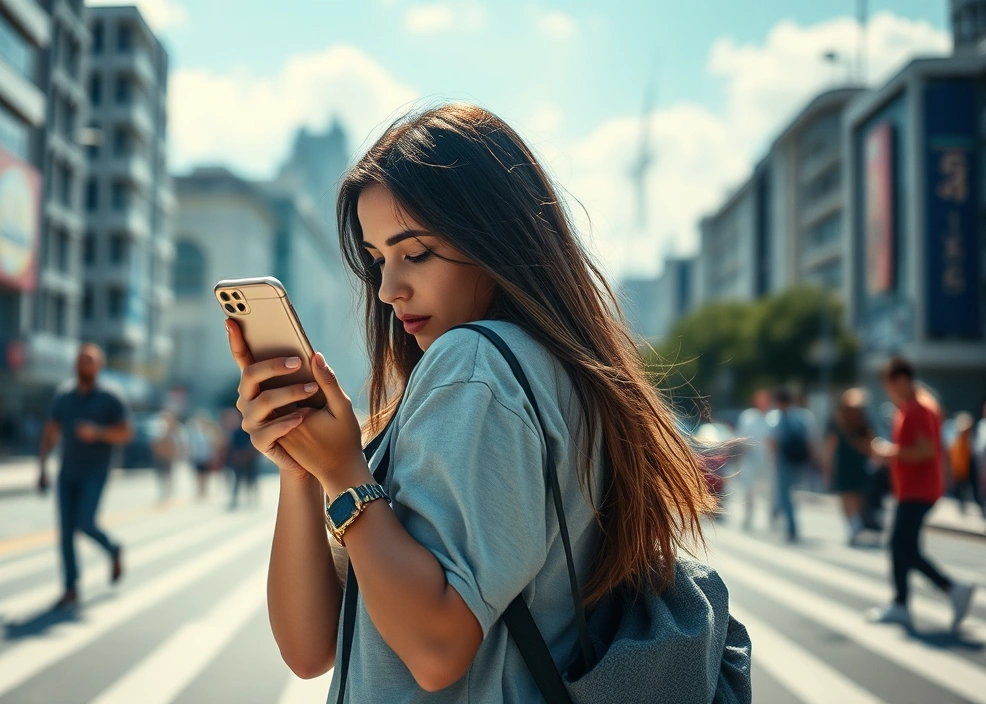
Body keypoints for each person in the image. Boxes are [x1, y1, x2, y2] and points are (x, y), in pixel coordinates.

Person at [231, 105, 746, 700]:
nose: (388, 288)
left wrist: (345, 472)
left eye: (415, 252)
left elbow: (435, 649)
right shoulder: (541, 372)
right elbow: (312, 646)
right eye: (376, 260)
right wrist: (302, 468)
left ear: (493, 237)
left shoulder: (475, 368)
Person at [868, 356, 975, 630]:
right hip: (912, 489)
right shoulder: (911, 407)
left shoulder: (918, 408)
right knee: (900, 546)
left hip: (919, 489)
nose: (888, 392)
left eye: (889, 386)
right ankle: (902, 604)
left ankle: (952, 588)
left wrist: (889, 453)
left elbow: (928, 449)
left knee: (902, 546)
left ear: (901, 380)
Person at [38, 343, 133, 610]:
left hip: (96, 471)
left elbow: (126, 433)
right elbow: (50, 432)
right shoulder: (64, 396)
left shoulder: (111, 397)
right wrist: (42, 468)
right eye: (81, 360)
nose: (84, 364)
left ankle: (113, 549)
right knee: (66, 532)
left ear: (99, 366)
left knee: (85, 522)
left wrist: (98, 433)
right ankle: (70, 589)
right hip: (67, 472)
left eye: (89, 360)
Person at [823, 389, 877, 546]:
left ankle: (854, 526)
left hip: (844, 464)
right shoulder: (863, 421)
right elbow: (871, 442)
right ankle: (856, 525)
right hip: (860, 464)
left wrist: (827, 468)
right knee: (856, 497)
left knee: (846, 498)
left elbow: (830, 447)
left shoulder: (837, 422)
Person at [769, 388, 815, 543]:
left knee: (785, 495)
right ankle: (781, 514)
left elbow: (773, 442)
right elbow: (810, 441)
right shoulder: (802, 416)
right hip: (799, 461)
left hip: (784, 461)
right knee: (791, 494)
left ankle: (790, 525)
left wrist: (774, 462)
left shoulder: (778, 418)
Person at [734, 390, 773, 530]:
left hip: (768, 462)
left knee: (770, 492)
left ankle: (772, 519)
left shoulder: (773, 418)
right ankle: (747, 516)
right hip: (750, 459)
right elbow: (740, 437)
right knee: (748, 490)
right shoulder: (748, 416)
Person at [225, 408, 260, 511]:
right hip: (239, 459)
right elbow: (232, 446)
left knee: (251, 479)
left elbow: (254, 446)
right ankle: (236, 500)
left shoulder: (250, 430)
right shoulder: (236, 431)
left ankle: (252, 499)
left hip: (249, 459)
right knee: (238, 480)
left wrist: (245, 455)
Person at [150, 410, 186, 502]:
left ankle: (169, 490)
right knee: (160, 473)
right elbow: (154, 441)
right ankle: (163, 489)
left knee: (169, 472)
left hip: (170, 455)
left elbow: (180, 442)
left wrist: (179, 452)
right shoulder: (159, 427)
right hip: (161, 454)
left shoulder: (176, 428)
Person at [185, 410, 219, 501]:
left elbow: (212, 445)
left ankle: (204, 490)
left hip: (206, 456)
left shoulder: (209, 433)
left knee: (205, 474)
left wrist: (213, 456)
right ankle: (199, 490)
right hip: (197, 456)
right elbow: (190, 444)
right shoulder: (194, 433)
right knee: (198, 474)